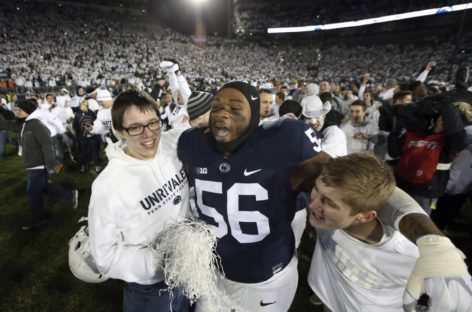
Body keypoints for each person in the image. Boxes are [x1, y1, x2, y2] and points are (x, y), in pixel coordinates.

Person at [177, 81, 471, 312]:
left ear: (255, 116)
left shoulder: (283, 141)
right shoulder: (191, 143)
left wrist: (430, 238)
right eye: (216, 106)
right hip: (212, 268)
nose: (221, 113)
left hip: (265, 277)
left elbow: (365, 188)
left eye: (234, 107)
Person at [307, 153, 472, 311]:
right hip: (329, 298)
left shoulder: (410, 254)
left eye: (328, 203)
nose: (313, 205)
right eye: (316, 189)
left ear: (365, 216)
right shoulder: (331, 218)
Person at [87, 90, 190, 312]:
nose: (148, 134)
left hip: (190, 270)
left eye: (153, 123)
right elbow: (104, 256)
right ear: (119, 131)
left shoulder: (171, 145)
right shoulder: (108, 185)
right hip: (151, 288)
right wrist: (158, 261)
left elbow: (200, 126)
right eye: (135, 127)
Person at [0, 99, 78, 231]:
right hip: (31, 164)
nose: (16, 112)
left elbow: (47, 146)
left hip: (38, 165)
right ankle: (70, 195)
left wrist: (51, 165)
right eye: (16, 109)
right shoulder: (22, 124)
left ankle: (40, 218)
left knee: (32, 193)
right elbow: (3, 124)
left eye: (20, 110)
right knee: (43, 187)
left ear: (28, 111)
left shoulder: (37, 125)